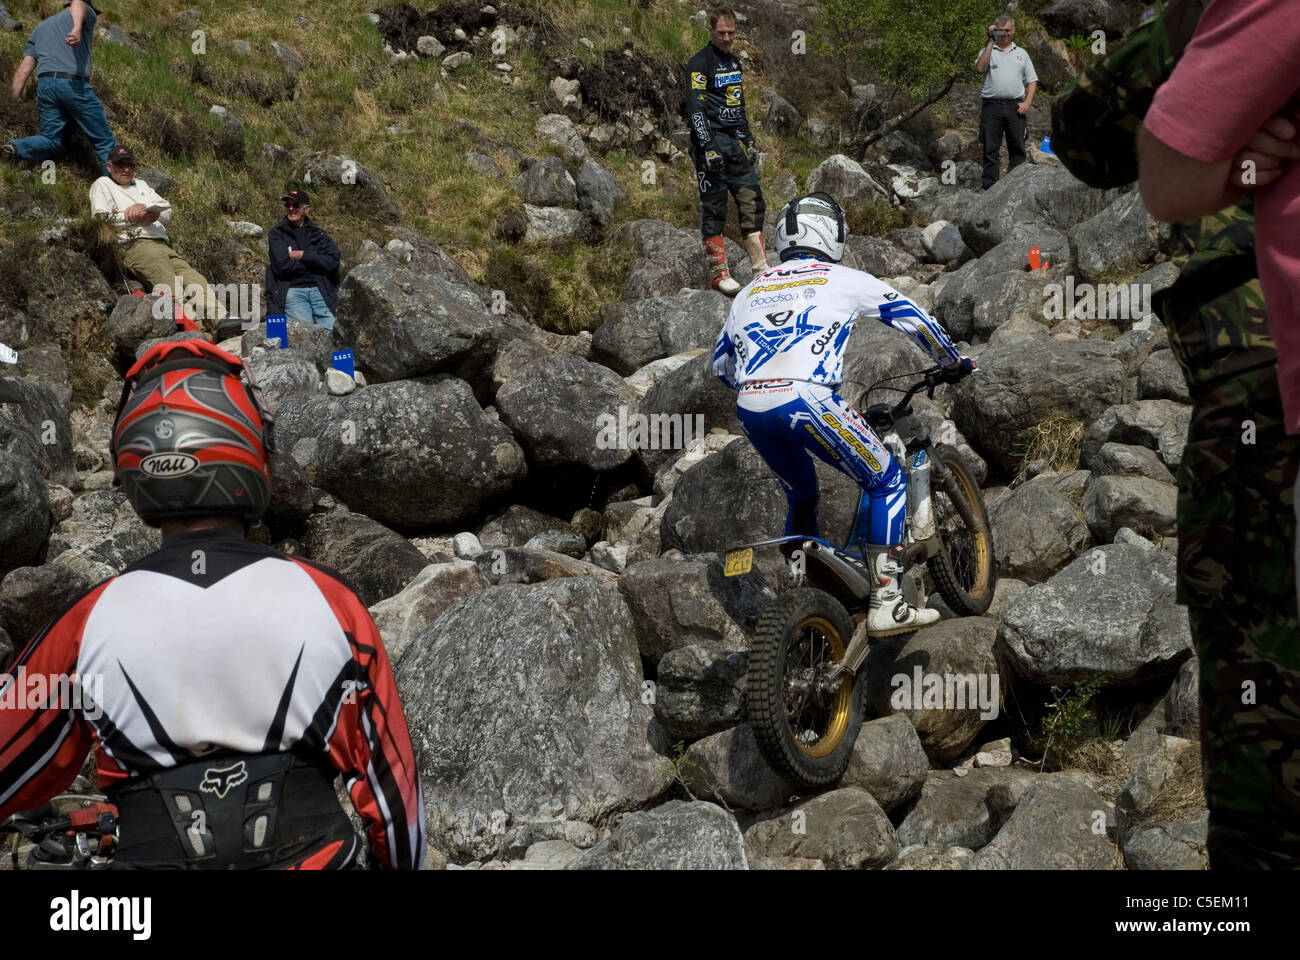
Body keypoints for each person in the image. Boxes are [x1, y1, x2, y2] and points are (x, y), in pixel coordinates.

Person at [0, 339, 425, 869]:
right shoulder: (332, 604)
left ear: (133, 461)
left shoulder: (88, 623)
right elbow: (396, 801)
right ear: (251, 452)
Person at [1057, 0, 1300, 868]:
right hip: (1256, 340)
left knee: (1256, 682)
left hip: (1250, 353)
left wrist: (1219, 135)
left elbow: (1088, 138)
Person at [712, 193, 975, 635]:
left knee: (802, 495)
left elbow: (721, 366)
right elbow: (912, 317)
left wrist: (761, 389)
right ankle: (888, 600)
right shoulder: (843, 278)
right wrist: (952, 361)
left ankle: (802, 588)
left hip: (752, 406)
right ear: (832, 233)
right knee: (887, 478)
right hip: (806, 398)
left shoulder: (752, 290)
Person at [90, 144, 241, 338]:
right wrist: (131, 216)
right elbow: (100, 219)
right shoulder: (102, 184)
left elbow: (166, 210)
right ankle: (198, 331)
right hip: (136, 244)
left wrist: (146, 210)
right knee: (171, 286)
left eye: (130, 165)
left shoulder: (142, 185)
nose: (126, 169)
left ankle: (221, 320)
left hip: (162, 243)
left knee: (195, 280)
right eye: (120, 165)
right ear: (109, 167)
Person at [684, 6, 767, 296]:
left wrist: (750, 141)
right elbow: (695, 109)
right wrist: (707, 147)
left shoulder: (734, 63)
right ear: (710, 30)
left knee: (752, 201)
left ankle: (760, 270)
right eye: (722, 33)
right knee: (715, 209)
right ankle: (719, 274)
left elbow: (738, 106)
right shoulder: (699, 63)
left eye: (731, 33)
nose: (727, 38)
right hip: (710, 144)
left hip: (734, 144)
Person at [3, 1, 117, 173]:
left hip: (46, 87)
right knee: (104, 141)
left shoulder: (40, 28)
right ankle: (119, 192)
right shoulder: (86, 14)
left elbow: (23, 71)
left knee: (50, 140)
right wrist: (77, 27)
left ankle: (15, 148)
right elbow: (80, 1)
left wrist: (13, 103)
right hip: (73, 85)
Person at [974, 14, 1038, 190]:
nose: (1005, 34)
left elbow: (1032, 81)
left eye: (1008, 30)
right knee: (990, 150)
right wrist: (990, 41)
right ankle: (989, 188)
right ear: (996, 31)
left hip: (1015, 107)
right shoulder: (987, 51)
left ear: (1014, 31)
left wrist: (1027, 103)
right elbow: (980, 68)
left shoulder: (1021, 53)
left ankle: (1015, 189)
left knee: (1018, 148)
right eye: (1001, 31)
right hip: (991, 107)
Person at [267, 189, 341, 332]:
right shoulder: (277, 234)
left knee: (334, 333)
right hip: (293, 291)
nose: (290, 208)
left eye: (295, 205)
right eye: (287, 205)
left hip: (321, 290)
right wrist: (316, 263)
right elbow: (282, 266)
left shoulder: (318, 234)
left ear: (306, 209)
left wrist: (303, 255)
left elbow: (333, 261)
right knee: (306, 335)